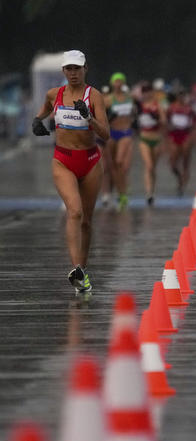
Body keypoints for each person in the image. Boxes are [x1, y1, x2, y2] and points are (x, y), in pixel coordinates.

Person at [31, 50, 109, 293]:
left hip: (90, 161)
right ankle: (76, 268)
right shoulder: (55, 94)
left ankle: (82, 273)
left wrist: (90, 118)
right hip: (63, 160)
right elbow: (43, 110)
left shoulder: (94, 96)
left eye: (77, 68)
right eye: (69, 69)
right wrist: (37, 122)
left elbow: (106, 134)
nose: (73, 73)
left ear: (85, 68)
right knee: (73, 212)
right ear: (63, 71)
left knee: (86, 220)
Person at [105, 72, 136, 211]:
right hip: (112, 133)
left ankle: (122, 193)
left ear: (123, 83)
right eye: (116, 81)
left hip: (125, 132)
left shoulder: (130, 98)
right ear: (112, 83)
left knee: (120, 163)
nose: (118, 84)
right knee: (112, 167)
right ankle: (120, 193)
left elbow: (136, 113)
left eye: (120, 81)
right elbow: (100, 116)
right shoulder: (108, 99)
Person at [136, 82, 167, 205]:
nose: (147, 94)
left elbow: (164, 120)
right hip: (144, 139)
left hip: (156, 139)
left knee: (153, 167)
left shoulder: (157, 105)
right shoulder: (139, 106)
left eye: (149, 91)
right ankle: (148, 193)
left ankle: (152, 191)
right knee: (148, 166)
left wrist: (156, 118)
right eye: (145, 91)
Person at [166, 86, 194, 195]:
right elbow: (166, 123)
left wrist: (193, 138)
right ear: (177, 97)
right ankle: (179, 177)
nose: (182, 97)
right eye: (180, 95)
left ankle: (182, 185)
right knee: (172, 163)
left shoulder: (189, 109)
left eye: (183, 95)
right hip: (174, 135)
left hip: (185, 135)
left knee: (186, 161)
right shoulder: (171, 108)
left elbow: (193, 125)